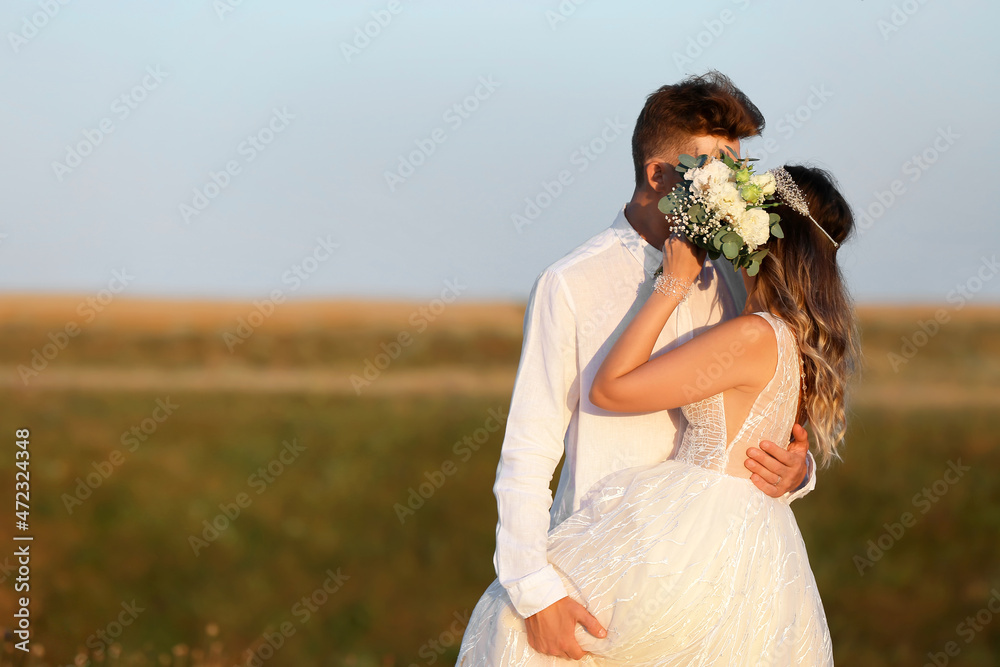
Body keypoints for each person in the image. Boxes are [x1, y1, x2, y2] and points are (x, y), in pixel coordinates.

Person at [468, 72, 818, 660]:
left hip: (714, 597)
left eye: (738, 168)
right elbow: (527, 455)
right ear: (657, 175)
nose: (734, 187)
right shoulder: (572, 282)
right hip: (601, 590)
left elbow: (759, 408)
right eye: (713, 168)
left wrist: (797, 470)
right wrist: (534, 593)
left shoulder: (735, 282)